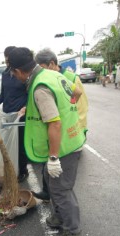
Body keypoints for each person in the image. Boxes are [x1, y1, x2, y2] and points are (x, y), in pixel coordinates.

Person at [8, 47, 86, 236]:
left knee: (61, 190)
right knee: (55, 186)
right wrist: (62, 108)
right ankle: (60, 218)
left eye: (13, 74)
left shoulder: (40, 87)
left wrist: (53, 158)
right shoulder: (52, 74)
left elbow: (54, 123)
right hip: (72, 138)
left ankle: (74, 234)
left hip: (63, 147)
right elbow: (76, 92)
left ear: (17, 71)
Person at [34, 48, 89, 200]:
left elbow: (80, 105)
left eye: (41, 67)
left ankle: (64, 212)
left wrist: (76, 125)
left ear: (51, 64)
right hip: (53, 129)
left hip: (66, 131)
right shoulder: (45, 79)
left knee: (62, 178)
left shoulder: (70, 77)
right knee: (48, 168)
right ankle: (47, 192)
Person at [0, 46, 29, 182]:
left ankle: (23, 170)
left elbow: (30, 94)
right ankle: (11, 170)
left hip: (20, 116)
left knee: (20, 145)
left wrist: (26, 107)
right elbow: (4, 94)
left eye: (9, 60)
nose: (7, 62)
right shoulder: (5, 74)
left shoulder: (23, 75)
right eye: (6, 59)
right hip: (7, 115)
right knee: (8, 145)